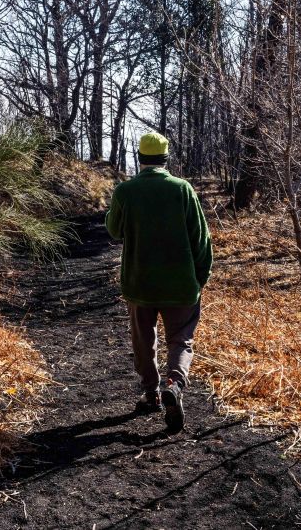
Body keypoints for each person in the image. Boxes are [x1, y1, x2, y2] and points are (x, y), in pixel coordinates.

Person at [104, 132, 213, 432]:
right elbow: (201, 241)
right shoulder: (182, 189)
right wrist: (199, 278)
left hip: (140, 284)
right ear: (166, 159)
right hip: (181, 284)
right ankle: (174, 384)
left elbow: (113, 231)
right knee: (181, 339)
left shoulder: (125, 191)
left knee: (143, 340)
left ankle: (151, 392)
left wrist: (116, 209)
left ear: (140, 158)